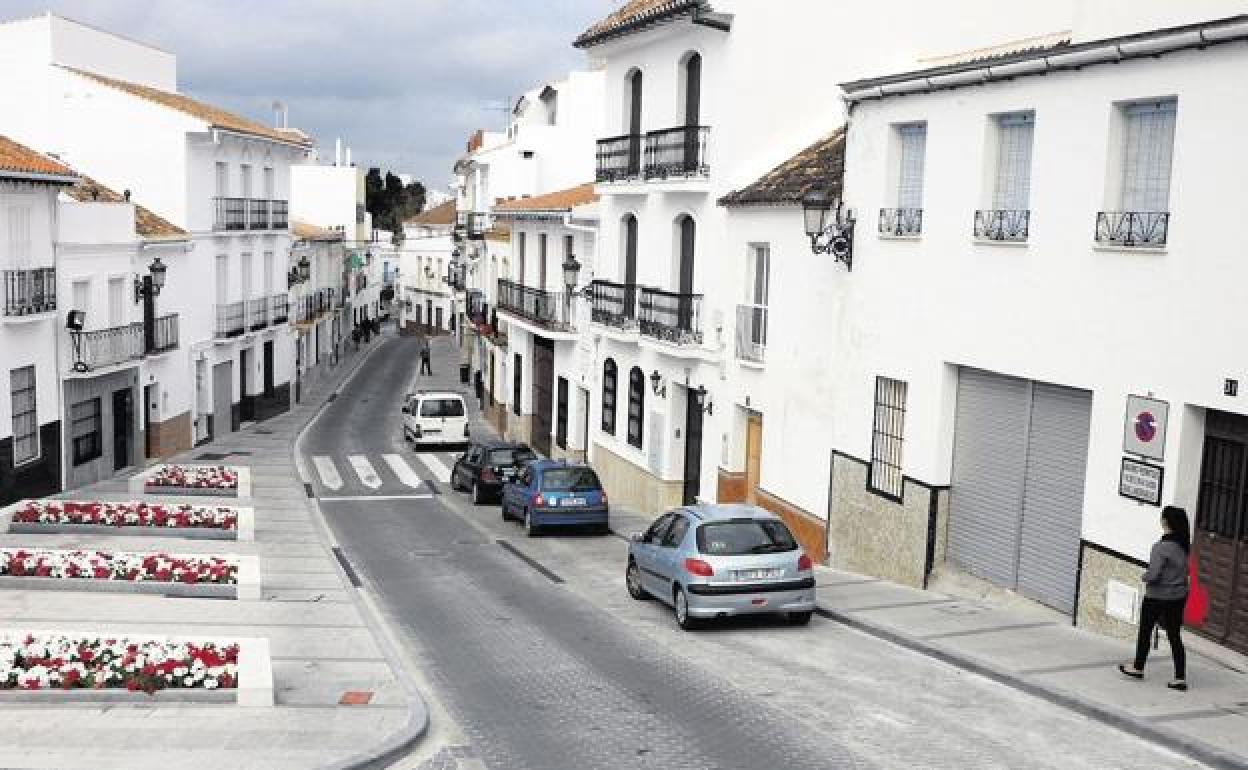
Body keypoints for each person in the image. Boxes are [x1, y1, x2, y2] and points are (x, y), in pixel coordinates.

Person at [1120, 505, 1191, 691]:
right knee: (1174, 635)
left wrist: (1144, 577)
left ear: (1165, 522)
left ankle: (1138, 667)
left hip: (1157, 597)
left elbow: (1154, 575)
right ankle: (1180, 677)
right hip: (1178, 597)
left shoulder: (1160, 548)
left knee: (1145, 632)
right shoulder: (1184, 546)